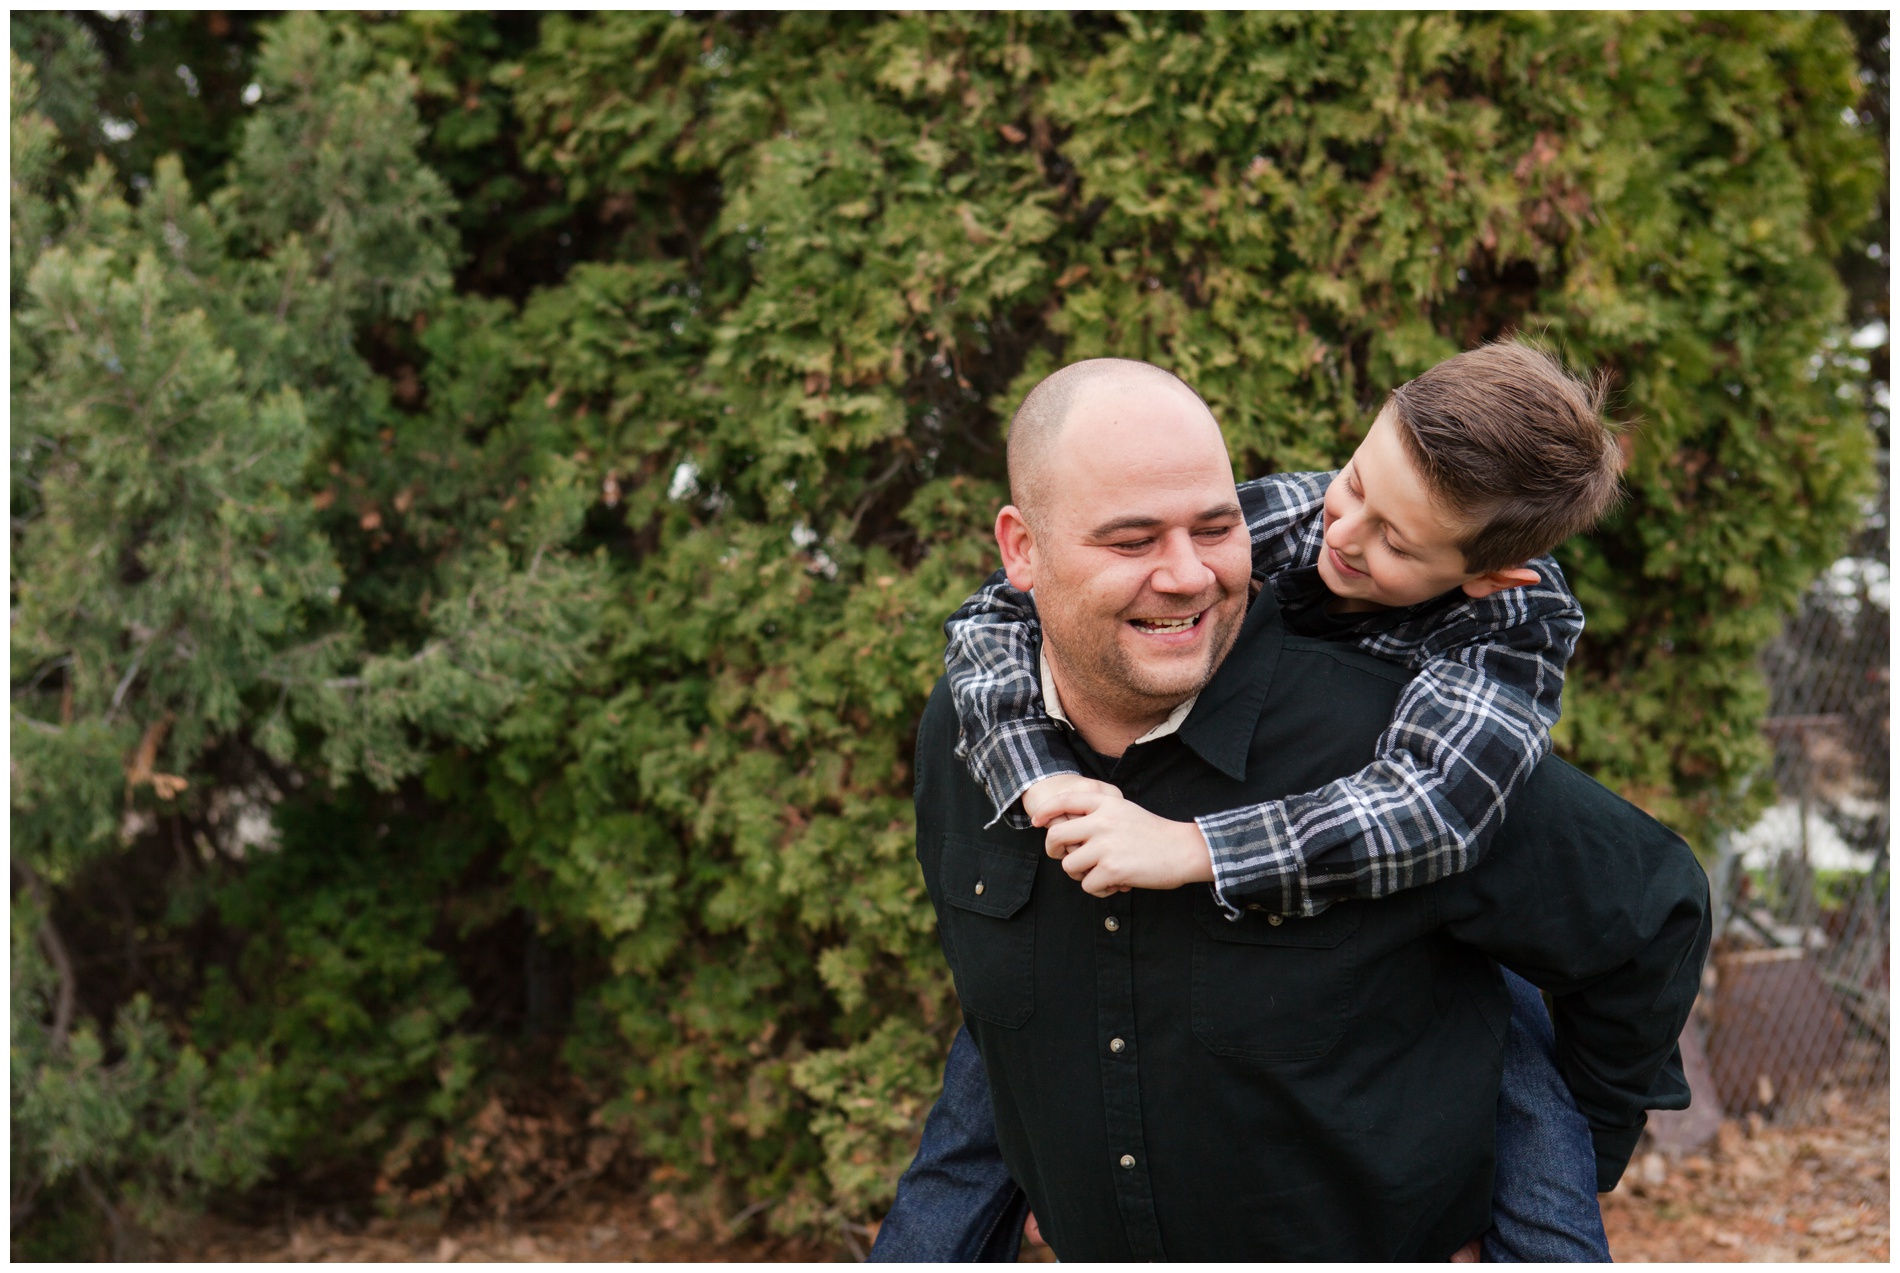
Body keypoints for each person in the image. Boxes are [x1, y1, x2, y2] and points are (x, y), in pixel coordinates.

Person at [876, 361, 1708, 1260]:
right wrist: (1032, 771)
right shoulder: (1303, 518)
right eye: (1353, 486)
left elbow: (1436, 813)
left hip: (1420, 857)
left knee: (1521, 1083)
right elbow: (993, 623)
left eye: (1394, 539)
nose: (1343, 534)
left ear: (1488, 574)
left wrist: (1196, 847)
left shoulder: (1481, 665)